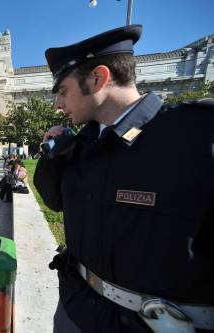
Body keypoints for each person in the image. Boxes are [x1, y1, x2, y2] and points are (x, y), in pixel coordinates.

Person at [33, 25, 214, 333]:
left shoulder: (199, 136)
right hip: (76, 311)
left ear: (98, 78)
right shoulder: (79, 144)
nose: (57, 104)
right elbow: (53, 200)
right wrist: (52, 154)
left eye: (63, 92)